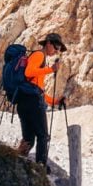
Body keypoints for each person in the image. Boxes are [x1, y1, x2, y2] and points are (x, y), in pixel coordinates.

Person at [15, 33, 67, 170]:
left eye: (59, 49)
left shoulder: (39, 58)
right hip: (32, 102)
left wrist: (55, 101)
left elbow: (39, 91)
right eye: (56, 47)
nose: (56, 51)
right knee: (43, 135)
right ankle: (41, 167)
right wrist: (51, 69)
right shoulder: (39, 55)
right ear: (48, 43)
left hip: (24, 102)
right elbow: (28, 72)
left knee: (29, 140)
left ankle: (16, 162)